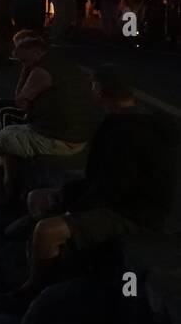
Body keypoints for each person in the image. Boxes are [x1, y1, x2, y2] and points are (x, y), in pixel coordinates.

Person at [9, 66, 179, 298]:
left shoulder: (126, 132)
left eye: (92, 86)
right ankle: (56, 261)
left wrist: (72, 207)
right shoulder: (129, 120)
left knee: (47, 230)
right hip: (124, 198)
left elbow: (114, 188)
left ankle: (36, 287)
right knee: (38, 197)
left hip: (136, 211)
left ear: (100, 91)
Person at [0, 34, 98, 204]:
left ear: (36, 53)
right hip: (71, 135)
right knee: (7, 132)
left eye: (24, 61)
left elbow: (20, 101)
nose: (22, 65)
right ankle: (10, 186)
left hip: (58, 141)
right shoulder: (61, 63)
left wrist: (25, 71)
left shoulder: (41, 71)